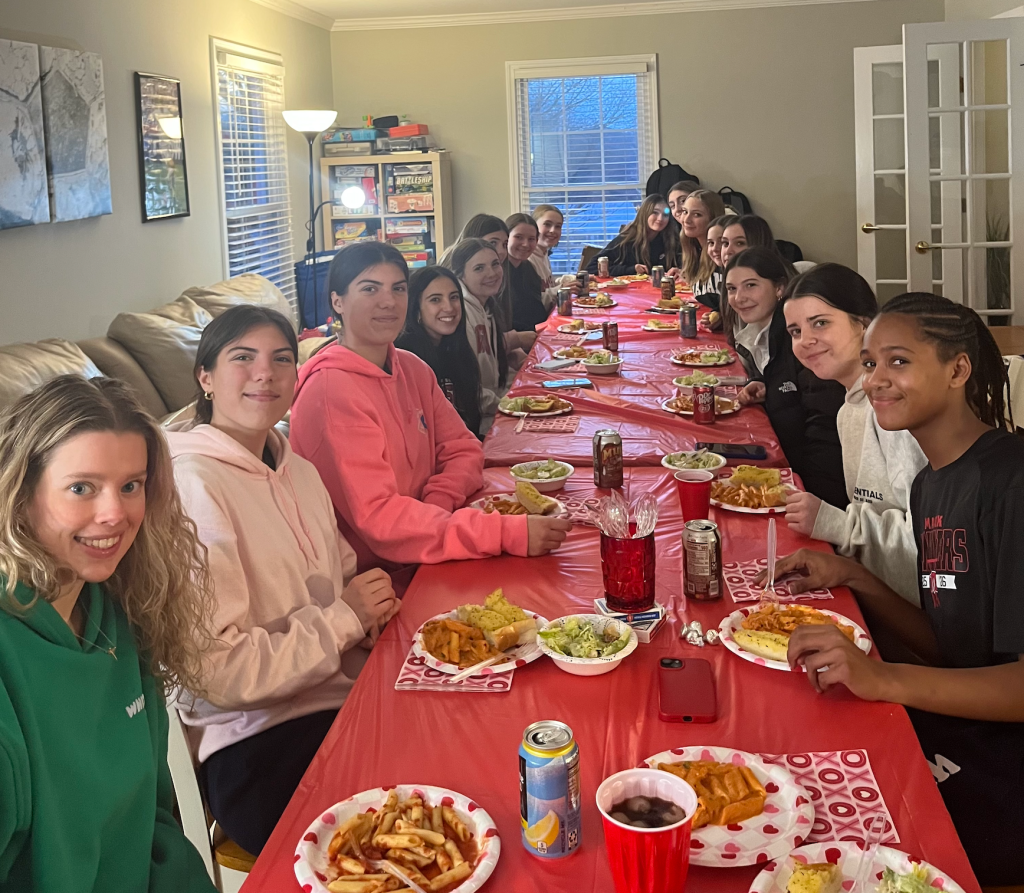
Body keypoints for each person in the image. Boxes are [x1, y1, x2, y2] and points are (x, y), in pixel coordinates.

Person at [767, 294, 1024, 885]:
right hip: (961, 721)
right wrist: (854, 576)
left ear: (958, 370)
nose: (877, 380)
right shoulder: (931, 487)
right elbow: (952, 646)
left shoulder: (1010, 482)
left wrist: (883, 678)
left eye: (899, 362)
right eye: (872, 362)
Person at [167, 306, 401, 856]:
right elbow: (218, 674)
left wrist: (369, 616)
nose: (264, 374)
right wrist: (346, 619)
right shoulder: (190, 485)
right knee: (404, 838)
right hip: (255, 742)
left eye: (281, 359)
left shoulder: (297, 468)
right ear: (205, 377)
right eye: (241, 358)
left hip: (341, 699)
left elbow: (344, 576)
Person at [0, 375, 216, 893]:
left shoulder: (119, 609)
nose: (115, 514)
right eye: (81, 488)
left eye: (130, 485)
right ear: (21, 491)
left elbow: (153, 821)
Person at [290, 242, 572, 588]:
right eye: (369, 289)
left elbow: (464, 450)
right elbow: (380, 520)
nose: (388, 302)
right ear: (337, 301)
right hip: (374, 585)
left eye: (398, 289)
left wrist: (437, 502)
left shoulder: (411, 367)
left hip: (431, 543)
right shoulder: (331, 391)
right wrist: (502, 532)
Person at [782, 265, 927, 603]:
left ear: (864, 323)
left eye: (820, 323)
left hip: (922, 616)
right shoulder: (850, 411)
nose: (805, 341)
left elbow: (928, 546)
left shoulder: (898, 413)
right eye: (794, 331)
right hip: (877, 588)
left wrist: (836, 524)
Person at [727, 248, 847, 507]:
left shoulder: (805, 348)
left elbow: (823, 431)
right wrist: (765, 385)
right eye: (731, 288)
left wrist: (810, 500)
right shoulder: (776, 334)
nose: (739, 297)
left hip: (820, 491)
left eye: (751, 285)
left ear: (780, 288)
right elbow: (790, 383)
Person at [396, 266, 483, 436]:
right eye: (435, 300)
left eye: (454, 297)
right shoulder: (406, 359)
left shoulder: (455, 350)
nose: (449, 308)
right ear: (416, 309)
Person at [442, 239, 512, 435]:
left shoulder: (487, 307)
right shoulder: (460, 314)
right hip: (476, 425)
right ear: (460, 275)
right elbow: (468, 390)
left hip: (493, 410)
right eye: (479, 268)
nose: (491, 273)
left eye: (495, 264)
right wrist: (511, 404)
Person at [451, 214, 537, 358]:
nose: (502, 251)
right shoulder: (460, 304)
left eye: (504, 244)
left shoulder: (497, 281)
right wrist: (515, 340)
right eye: (492, 243)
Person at [585, 195, 677, 277]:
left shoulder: (671, 240)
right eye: (655, 212)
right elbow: (592, 267)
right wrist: (630, 270)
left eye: (665, 214)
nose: (660, 218)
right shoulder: (626, 240)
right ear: (644, 214)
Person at [673, 189, 727, 307]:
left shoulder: (723, 253)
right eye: (685, 212)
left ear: (713, 218)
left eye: (697, 214)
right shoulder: (693, 250)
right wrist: (684, 275)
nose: (686, 220)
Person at [505, 213, 550, 332]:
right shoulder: (498, 274)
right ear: (506, 238)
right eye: (518, 237)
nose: (525, 244)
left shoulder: (528, 268)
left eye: (531, 239)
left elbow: (537, 310)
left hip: (538, 334)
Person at [529, 204, 564, 295]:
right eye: (547, 224)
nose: (553, 230)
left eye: (558, 226)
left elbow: (549, 286)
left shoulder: (544, 253)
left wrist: (576, 281)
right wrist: (564, 289)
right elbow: (535, 301)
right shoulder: (528, 259)